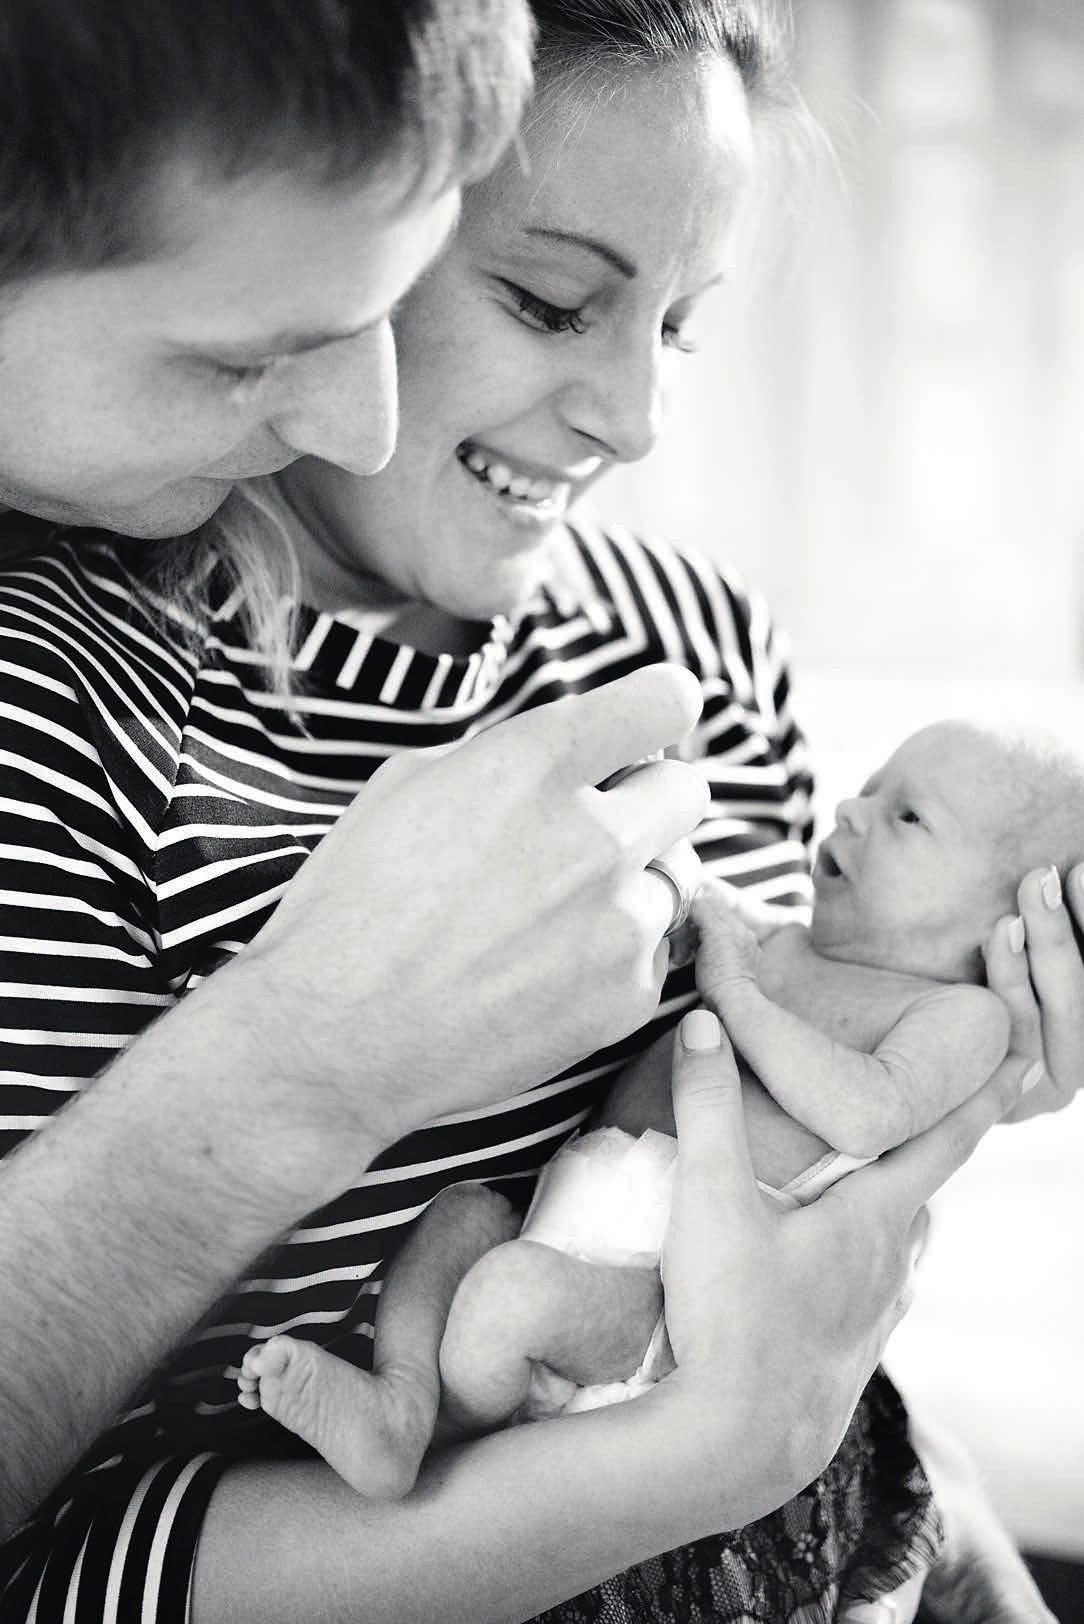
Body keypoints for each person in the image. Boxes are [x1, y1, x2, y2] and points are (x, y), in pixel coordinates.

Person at [0, 4, 1071, 1623]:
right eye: (550, 300)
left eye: (679, 325)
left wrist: (954, 1052)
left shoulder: (695, 639)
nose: (635, 421)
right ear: (365, 225)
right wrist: (696, 1460)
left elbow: (788, 1297)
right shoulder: (66, 699)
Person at [234, 717, 1071, 1617]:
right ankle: (400, 1402)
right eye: (868, 787)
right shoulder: (788, 943)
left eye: (908, 817)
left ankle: (443, 1433)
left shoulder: (959, 1016)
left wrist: (737, 991)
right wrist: (665, 897)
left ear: (1013, 922)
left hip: (671, 1300)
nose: (851, 812)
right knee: (460, 1215)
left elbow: (866, 1110)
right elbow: (691, 909)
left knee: (509, 1297)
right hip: (568, 1213)